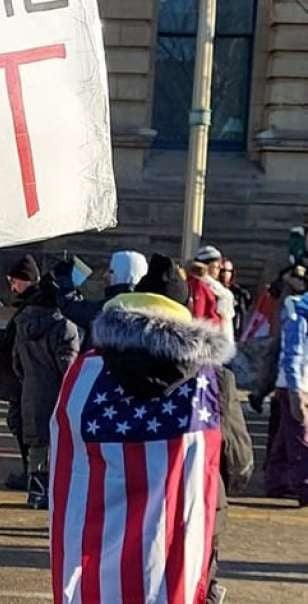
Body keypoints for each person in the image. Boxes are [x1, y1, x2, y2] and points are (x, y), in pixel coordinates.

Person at [49, 254, 252, 604]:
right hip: (181, 532)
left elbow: (65, 451)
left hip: (101, 536)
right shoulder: (212, 379)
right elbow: (239, 462)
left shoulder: (85, 372)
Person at [11, 259, 81, 509]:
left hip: (31, 391)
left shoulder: (23, 323)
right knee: (59, 446)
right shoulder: (65, 327)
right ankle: (55, 495)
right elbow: (69, 369)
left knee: (37, 447)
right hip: (58, 395)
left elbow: (16, 363)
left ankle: (36, 493)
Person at [0, 255, 38, 491]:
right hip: (23, 376)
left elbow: (15, 337)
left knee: (22, 424)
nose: (11, 286)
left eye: (14, 281)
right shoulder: (30, 303)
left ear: (25, 280)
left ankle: (31, 473)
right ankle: (30, 471)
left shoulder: (31, 305)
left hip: (23, 377)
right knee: (20, 423)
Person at [266, 269, 308, 507]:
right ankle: (304, 486)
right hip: (296, 384)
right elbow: (293, 353)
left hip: (299, 383)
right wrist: (295, 390)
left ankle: (276, 480)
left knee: (285, 436)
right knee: (300, 438)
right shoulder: (299, 312)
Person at [55, 250, 148, 342]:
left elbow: (79, 312)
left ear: (124, 275)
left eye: (111, 271)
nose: (104, 275)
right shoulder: (147, 307)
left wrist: (65, 283)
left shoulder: (116, 306)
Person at [193, 246, 236, 342]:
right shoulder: (199, 285)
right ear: (207, 266)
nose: (220, 267)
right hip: (208, 340)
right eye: (217, 264)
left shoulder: (215, 287)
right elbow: (198, 318)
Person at [218, 259, 253, 338]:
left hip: (235, 331)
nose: (224, 274)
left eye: (228, 271)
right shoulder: (213, 288)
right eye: (222, 270)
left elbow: (244, 310)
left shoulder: (239, 292)